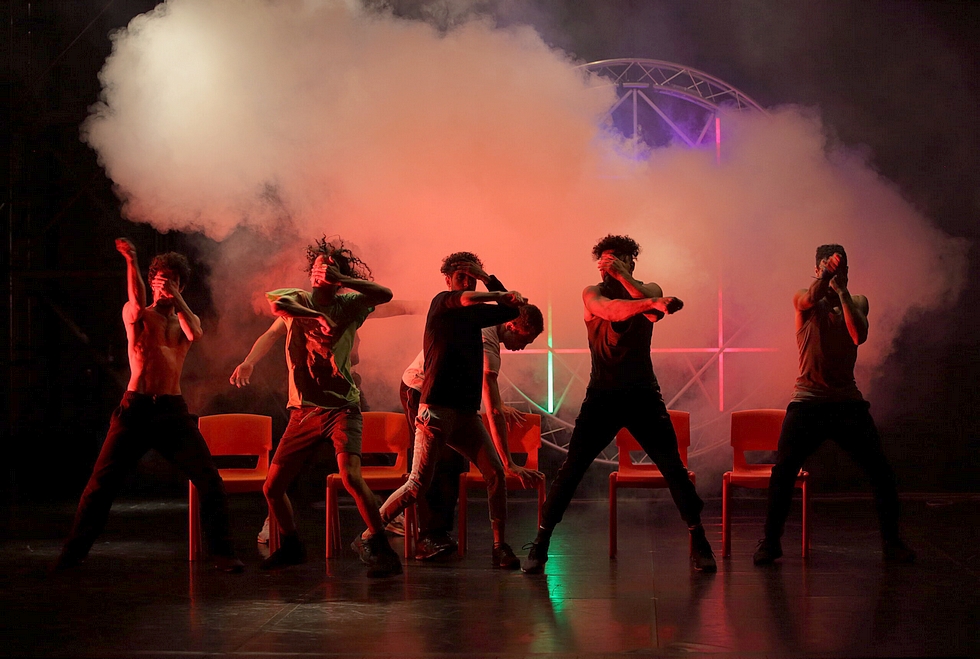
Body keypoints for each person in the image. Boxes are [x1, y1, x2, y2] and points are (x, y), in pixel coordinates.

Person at [522, 234, 716, 574]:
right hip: (602, 395)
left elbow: (653, 314)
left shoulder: (650, 288)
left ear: (631, 262)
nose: (607, 267)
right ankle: (541, 542)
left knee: (673, 468)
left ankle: (699, 539)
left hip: (643, 395)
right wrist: (653, 303)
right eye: (604, 262)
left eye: (616, 260)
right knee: (571, 470)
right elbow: (612, 311)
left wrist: (632, 284)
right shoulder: (593, 293)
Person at [54, 239, 243, 573]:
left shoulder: (185, 322)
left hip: (172, 412)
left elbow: (196, 334)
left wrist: (177, 296)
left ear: (181, 285)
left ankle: (223, 554)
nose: (164, 286)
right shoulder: (139, 316)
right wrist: (131, 260)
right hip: (136, 410)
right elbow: (136, 298)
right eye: (159, 279)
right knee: (100, 486)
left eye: (172, 280)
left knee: (210, 481)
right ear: (151, 281)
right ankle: (72, 554)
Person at [230, 236, 402, 577]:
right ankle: (292, 544)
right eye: (318, 267)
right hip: (303, 411)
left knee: (351, 477)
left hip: (342, 409)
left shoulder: (350, 304)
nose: (320, 272)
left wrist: (343, 280)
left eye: (329, 268)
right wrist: (249, 361)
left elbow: (385, 295)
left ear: (338, 277)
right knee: (272, 487)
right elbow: (276, 309)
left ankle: (379, 544)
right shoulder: (298, 299)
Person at [359, 252, 528, 568]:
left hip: (464, 413)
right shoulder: (443, 302)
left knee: (494, 473)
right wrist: (495, 292)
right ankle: (370, 534)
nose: (467, 283)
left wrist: (488, 278)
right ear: (448, 279)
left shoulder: (477, 316)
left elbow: (510, 310)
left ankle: (499, 545)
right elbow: (468, 299)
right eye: (461, 277)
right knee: (417, 484)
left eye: (471, 278)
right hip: (434, 407)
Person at [753, 245, 915, 565]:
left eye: (843, 269)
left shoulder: (857, 301)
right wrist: (827, 276)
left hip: (846, 404)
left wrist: (841, 291)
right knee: (783, 472)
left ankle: (892, 542)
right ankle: (770, 543)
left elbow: (858, 336)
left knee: (881, 472)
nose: (838, 273)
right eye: (828, 268)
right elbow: (809, 299)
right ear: (817, 270)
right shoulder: (805, 298)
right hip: (808, 402)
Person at [400, 262, 545, 560]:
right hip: (422, 391)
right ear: (512, 327)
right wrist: (509, 461)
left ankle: (439, 533)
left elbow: (505, 306)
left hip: (452, 400)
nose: (522, 347)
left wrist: (488, 278)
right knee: (434, 464)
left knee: (452, 464)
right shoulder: (485, 337)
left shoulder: (485, 321)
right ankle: (424, 536)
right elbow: (491, 408)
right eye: (523, 340)